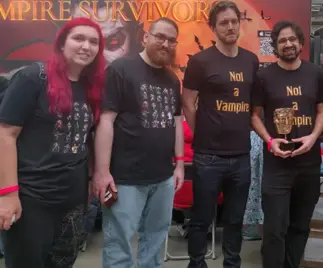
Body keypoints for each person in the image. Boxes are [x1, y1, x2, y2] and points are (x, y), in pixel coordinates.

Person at [0, 17, 105, 267]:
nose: (86, 46)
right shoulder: (32, 78)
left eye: (94, 42)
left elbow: (85, 137)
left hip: (73, 201)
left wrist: (93, 178)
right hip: (31, 197)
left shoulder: (91, 87)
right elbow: (5, 135)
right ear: (61, 43)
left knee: (62, 263)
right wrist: (7, 194)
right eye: (78, 38)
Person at [92, 17, 184, 268]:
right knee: (119, 245)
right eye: (160, 37)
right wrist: (101, 172)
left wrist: (179, 165)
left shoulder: (172, 80)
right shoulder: (121, 69)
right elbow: (106, 122)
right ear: (145, 37)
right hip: (125, 178)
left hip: (163, 178)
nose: (166, 43)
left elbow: (175, 123)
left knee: (155, 242)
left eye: (171, 40)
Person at [181, 1, 259, 267]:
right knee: (201, 218)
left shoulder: (251, 60)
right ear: (213, 27)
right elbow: (188, 102)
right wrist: (203, 131)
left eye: (234, 21)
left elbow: (253, 105)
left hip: (241, 155)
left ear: (240, 24)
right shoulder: (200, 61)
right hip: (208, 156)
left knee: (235, 220)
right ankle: (197, 263)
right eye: (224, 22)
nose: (230, 27)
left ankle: (232, 264)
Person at [251, 20, 323, 268]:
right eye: (282, 40)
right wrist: (270, 140)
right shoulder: (263, 76)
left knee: (300, 225)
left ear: (301, 43)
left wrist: (313, 137)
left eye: (292, 39)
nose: (288, 44)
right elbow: (254, 115)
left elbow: (322, 112)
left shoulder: (315, 73)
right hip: (277, 163)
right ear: (275, 45)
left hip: (309, 162)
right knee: (274, 228)